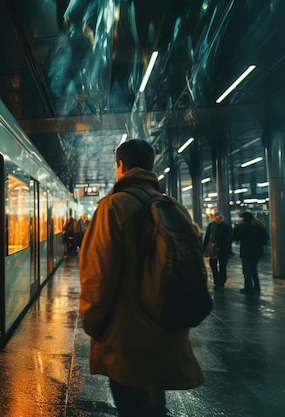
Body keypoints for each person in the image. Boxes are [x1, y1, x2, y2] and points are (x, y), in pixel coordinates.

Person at [78, 139, 204, 417]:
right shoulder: (172, 206)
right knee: (153, 405)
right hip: (166, 328)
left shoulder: (113, 207)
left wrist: (94, 326)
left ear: (121, 165)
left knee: (132, 407)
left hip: (127, 338)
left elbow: (97, 278)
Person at [232, 211, 269, 293]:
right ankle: (257, 286)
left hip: (246, 251)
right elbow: (265, 239)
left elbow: (236, 237)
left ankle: (248, 287)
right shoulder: (259, 226)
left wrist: (235, 229)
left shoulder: (242, 226)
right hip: (257, 252)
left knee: (247, 270)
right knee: (254, 269)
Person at [203, 212, 232, 290]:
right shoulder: (225, 226)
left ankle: (219, 281)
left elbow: (207, 237)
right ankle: (219, 281)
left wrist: (204, 248)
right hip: (218, 249)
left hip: (220, 248)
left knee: (219, 265)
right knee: (217, 265)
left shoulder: (213, 226)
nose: (217, 220)